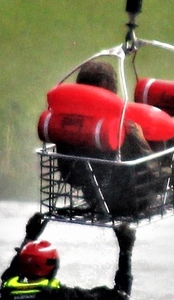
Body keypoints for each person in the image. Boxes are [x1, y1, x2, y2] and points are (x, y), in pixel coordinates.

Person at [56, 59, 156, 217]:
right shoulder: (121, 129)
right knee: (171, 149)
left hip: (93, 197)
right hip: (131, 201)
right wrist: (141, 139)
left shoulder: (67, 124)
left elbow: (72, 178)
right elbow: (153, 173)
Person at [0, 212, 135, 300]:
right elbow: (120, 297)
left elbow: (14, 269)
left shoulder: (5, 292)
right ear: (52, 267)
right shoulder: (60, 296)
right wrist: (126, 250)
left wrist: (29, 237)